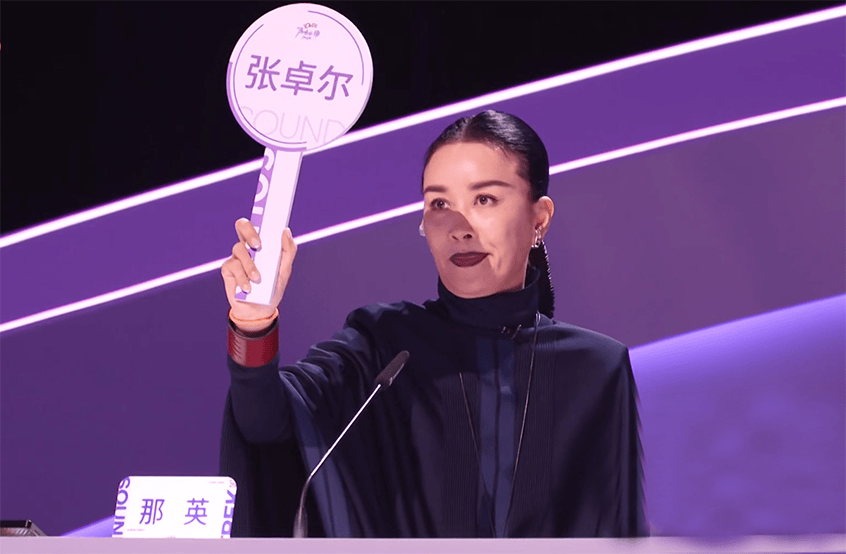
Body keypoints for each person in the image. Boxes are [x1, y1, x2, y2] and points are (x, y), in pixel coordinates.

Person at [219, 110, 647, 538]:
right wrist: (253, 323)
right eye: (440, 204)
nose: (459, 228)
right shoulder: (385, 349)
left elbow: (617, 532)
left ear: (540, 218)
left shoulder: (595, 368)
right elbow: (263, 423)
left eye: (485, 199)